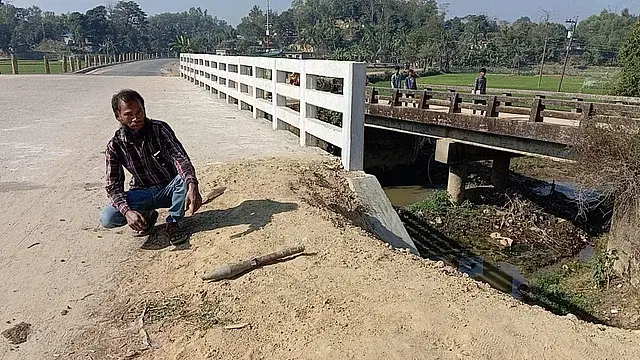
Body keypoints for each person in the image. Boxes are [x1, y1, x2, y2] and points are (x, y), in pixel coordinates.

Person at [99, 89, 203, 246]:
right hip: (142, 193)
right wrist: (127, 212)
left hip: (170, 188)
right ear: (118, 116)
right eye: (128, 114)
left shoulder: (160, 129)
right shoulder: (115, 146)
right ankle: (146, 215)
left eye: (139, 111)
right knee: (108, 218)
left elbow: (180, 158)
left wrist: (193, 185)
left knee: (185, 178)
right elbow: (113, 186)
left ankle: (173, 223)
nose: (136, 118)